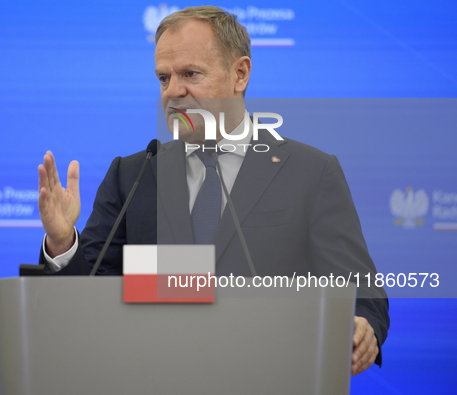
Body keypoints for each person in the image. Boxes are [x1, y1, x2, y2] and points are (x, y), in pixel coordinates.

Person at [36, 6, 389, 376]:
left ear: (240, 74)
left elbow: (359, 287)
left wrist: (361, 323)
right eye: (163, 78)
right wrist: (62, 243)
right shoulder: (134, 174)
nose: (173, 92)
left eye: (190, 74)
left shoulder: (311, 172)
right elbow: (89, 297)